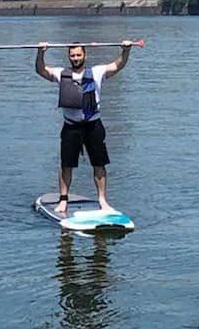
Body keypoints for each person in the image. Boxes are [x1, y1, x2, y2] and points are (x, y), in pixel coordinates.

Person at [35, 40, 134, 214]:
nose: (75, 58)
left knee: (99, 164)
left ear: (85, 55)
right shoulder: (61, 74)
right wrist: (41, 52)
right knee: (67, 165)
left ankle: (102, 200)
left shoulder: (97, 72)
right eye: (72, 55)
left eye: (78, 55)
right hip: (71, 127)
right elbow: (41, 70)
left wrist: (125, 51)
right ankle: (63, 200)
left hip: (93, 126)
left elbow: (118, 65)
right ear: (69, 57)